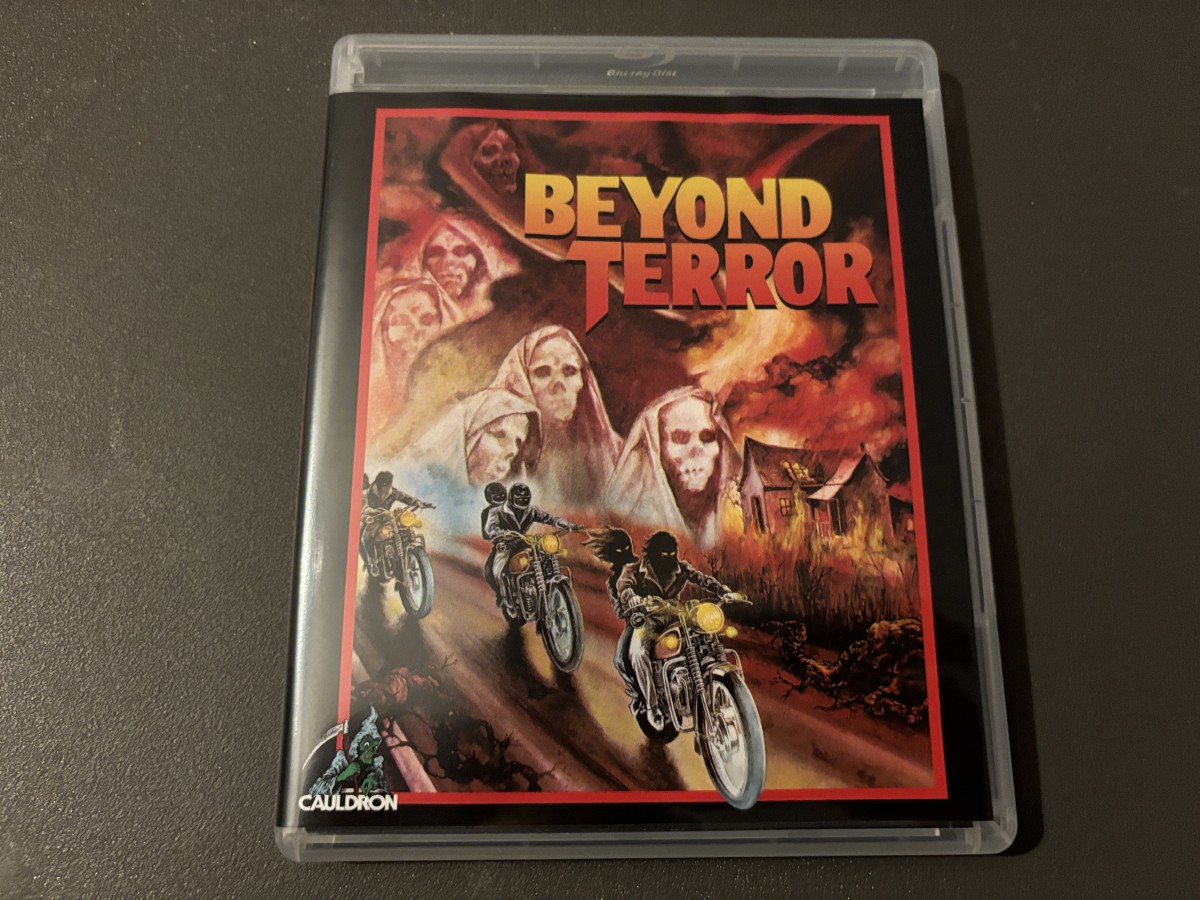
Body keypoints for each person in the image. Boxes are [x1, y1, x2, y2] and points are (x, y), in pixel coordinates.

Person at [615, 531, 743, 729]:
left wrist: (721, 590)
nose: (669, 559)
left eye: (672, 554)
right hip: (648, 619)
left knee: (704, 635)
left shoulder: (680, 568)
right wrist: (632, 597)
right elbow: (624, 586)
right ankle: (652, 707)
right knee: (637, 653)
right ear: (653, 554)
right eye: (664, 554)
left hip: (675, 615)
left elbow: (700, 578)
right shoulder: (635, 569)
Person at [486, 325, 622, 506]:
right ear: (522, 381)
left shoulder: (615, 455)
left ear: (582, 381)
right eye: (543, 372)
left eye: (569, 371)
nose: (558, 384)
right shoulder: (496, 452)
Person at [604, 386, 740, 548]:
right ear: (656, 449)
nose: (695, 451)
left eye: (707, 437)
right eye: (680, 437)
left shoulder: (734, 520)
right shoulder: (633, 523)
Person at [404, 388, 542, 488]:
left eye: (518, 443)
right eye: (499, 435)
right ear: (467, 435)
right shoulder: (409, 479)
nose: (512, 450)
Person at [482, 483, 581, 608]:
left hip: (524, 542)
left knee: (545, 555)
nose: (523, 502)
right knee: (497, 571)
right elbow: (489, 528)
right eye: (519, 500)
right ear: (511, 499)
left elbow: (549, 518)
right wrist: (499, 533)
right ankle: (505, 597)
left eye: (525, 499)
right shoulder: (498, 511)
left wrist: (567, 525)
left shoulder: (531, 511)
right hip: (506, 545)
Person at [583, 527, 640, 707]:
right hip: (637, 623)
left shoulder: (642, 568)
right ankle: (642, 695)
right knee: (621, 660)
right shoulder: (614, 581)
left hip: (657, 616)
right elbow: (619, 609)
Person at [480, 482, 508, 596]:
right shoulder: (487, 513)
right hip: (502, 544)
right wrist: (497, 533)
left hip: (520, 541)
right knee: (489, 571)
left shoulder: (511, 506)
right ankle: (502, 595)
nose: (500, 496)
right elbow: (486, 534)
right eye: (497, 495)